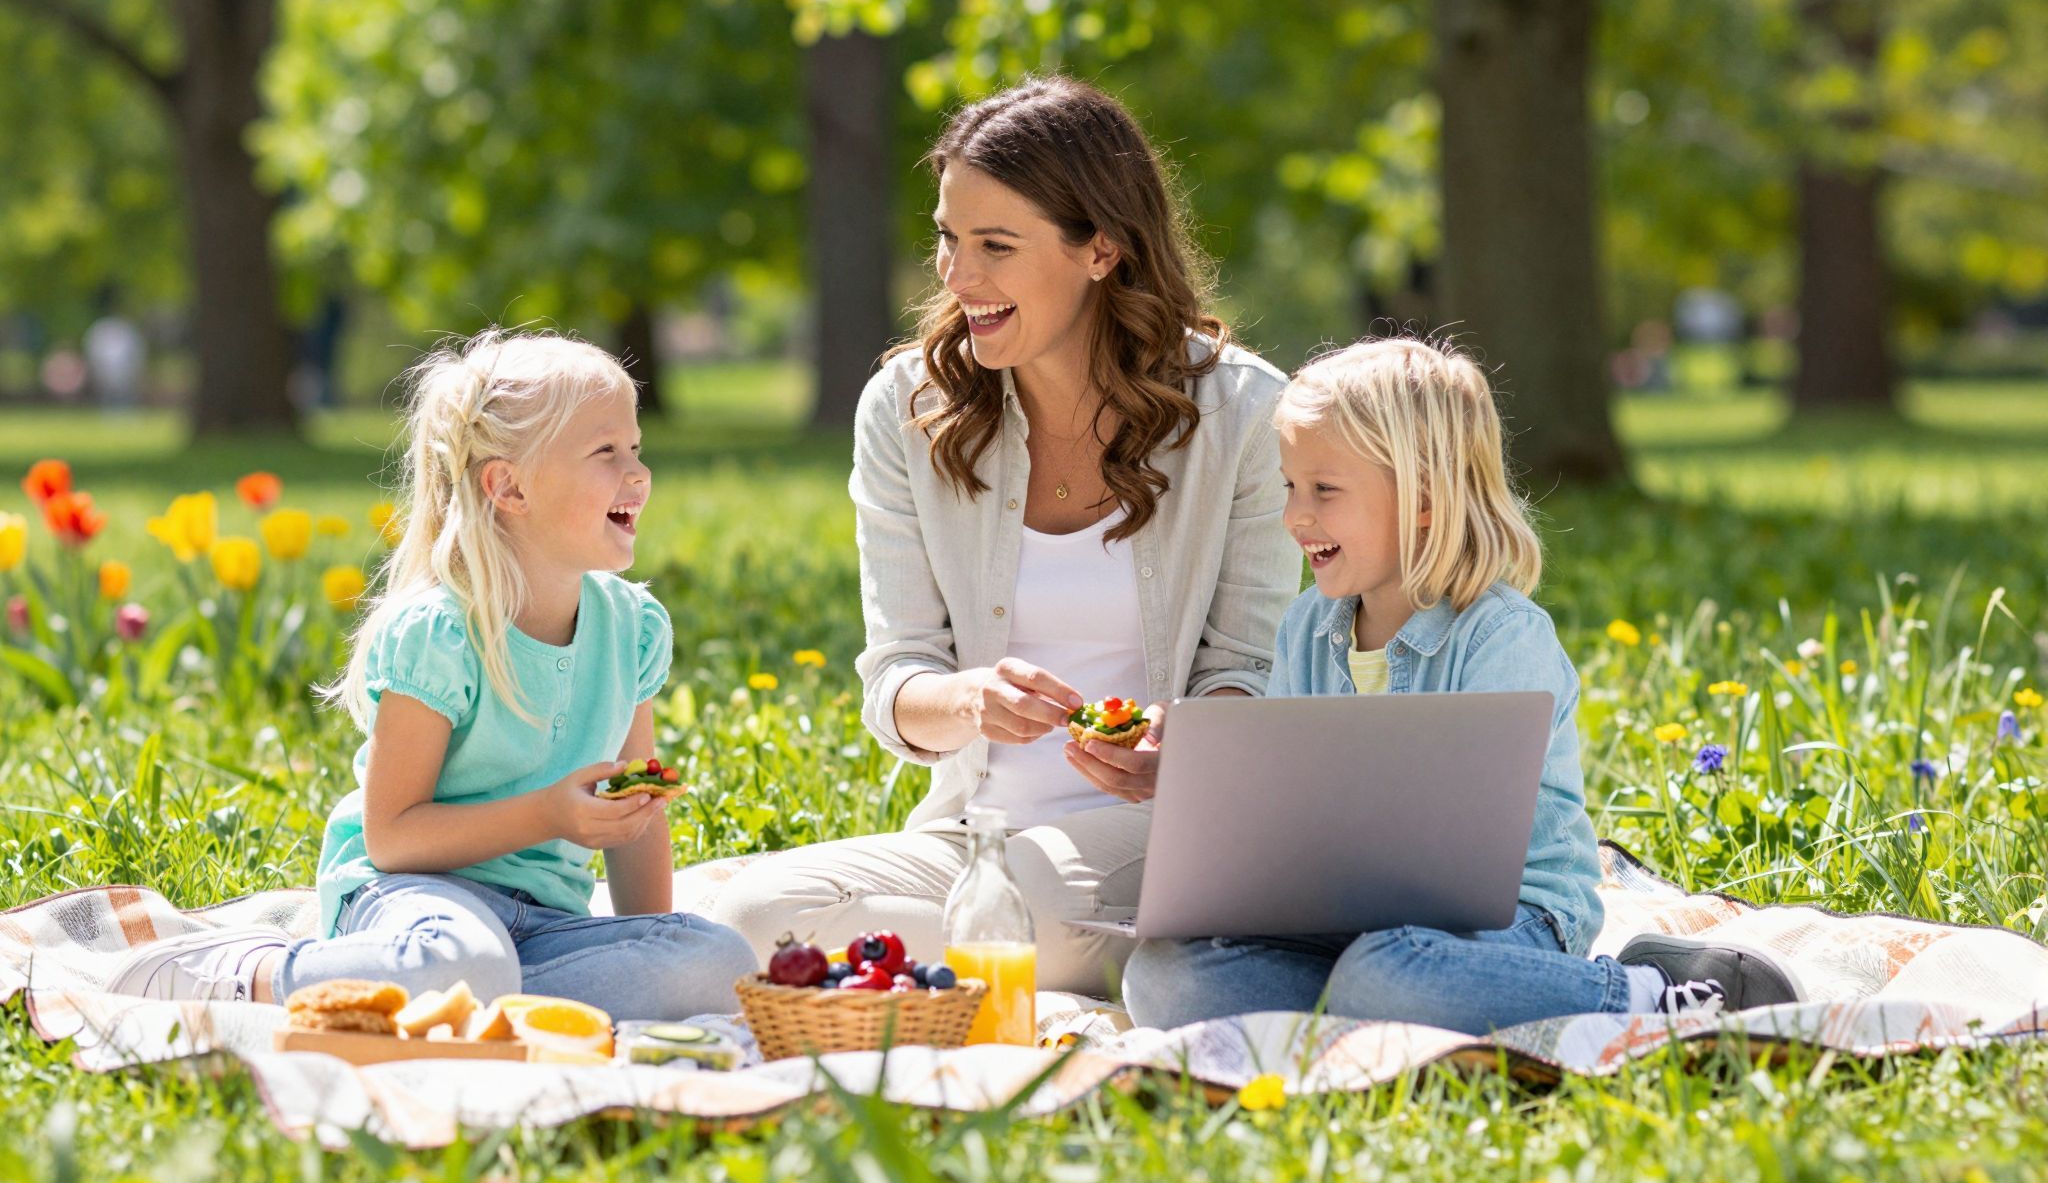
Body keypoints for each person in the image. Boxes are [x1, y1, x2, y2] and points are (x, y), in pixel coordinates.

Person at [705, 76, 1301, 995]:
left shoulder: (1242, 412)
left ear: (1101, 249)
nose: (955, 275)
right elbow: (896, 676)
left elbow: (1250, 668)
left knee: (1017, 905)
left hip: (1173, 828)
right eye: (948, 238)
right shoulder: (907, 409)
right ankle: (1051, 958)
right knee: (751, 921)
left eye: (994, 245)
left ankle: (973, 962)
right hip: (973, 832)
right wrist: (968, 700)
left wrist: (1180, 744)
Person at [1121, 336, 1805, 1033]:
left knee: (1389, 970)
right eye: (1290, 485)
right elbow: (1291, 811)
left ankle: (1641, 993)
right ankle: (1382, 1012)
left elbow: (1463, 860)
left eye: (1324, 490)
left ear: (1423, 497)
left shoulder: (1500, 636)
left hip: (1512, 918)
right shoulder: (1306, 628)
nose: (1296, 515)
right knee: (1163, 977)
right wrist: (1203, 785)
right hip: (1351, 929)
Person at [108, 329, 757, 1018]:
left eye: (636, 448)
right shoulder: (440, 634)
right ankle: (260, 973)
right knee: (463, 961)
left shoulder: (633, 628)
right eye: (606, 452)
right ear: (507, 486)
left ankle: (464, 1006)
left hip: (542, 924)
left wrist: (647, 938)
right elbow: (392, 836)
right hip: (414, 900)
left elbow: (636, 816)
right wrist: (550, 815)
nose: (638, 474)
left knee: (721, 963)